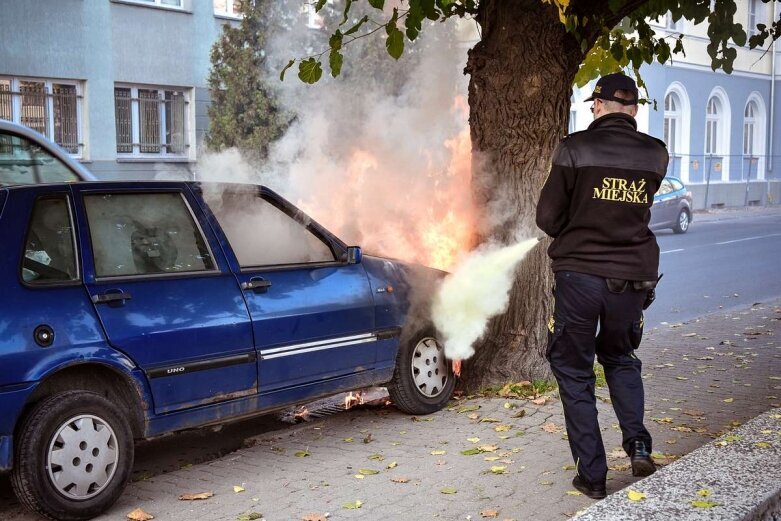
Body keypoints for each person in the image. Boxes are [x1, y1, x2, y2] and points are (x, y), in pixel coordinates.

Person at [535, 72, 668, 499]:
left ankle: (592, 476)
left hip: (580, 277)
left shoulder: (575, 148)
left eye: (595, 103)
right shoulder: (656, 155)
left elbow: (548, 219)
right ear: (632, 110)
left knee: (574, 370)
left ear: (598, 105)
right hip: (632, 278)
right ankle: (639, 445)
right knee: (621, 356)